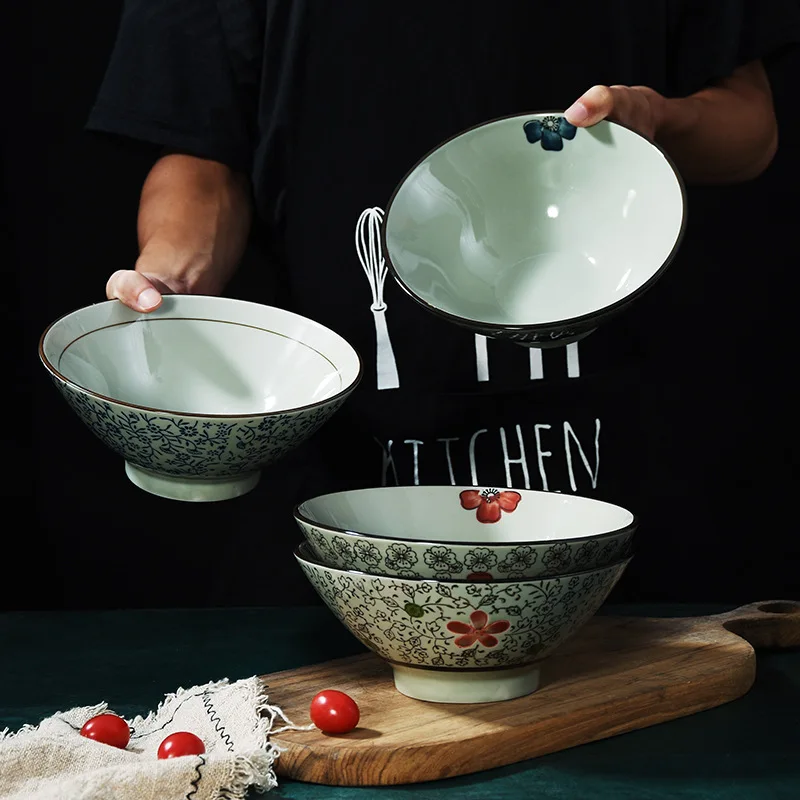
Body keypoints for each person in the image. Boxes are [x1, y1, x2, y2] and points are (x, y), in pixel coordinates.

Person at [84, 1, 800, 605]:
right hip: (341, 479)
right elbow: (204, 151)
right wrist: (172, 280)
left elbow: (748, 124)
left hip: (641, 471)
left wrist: (658, 120)